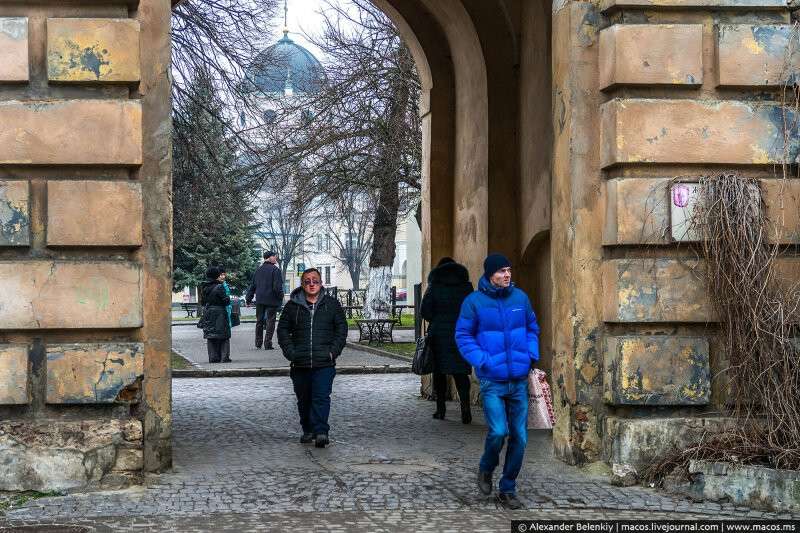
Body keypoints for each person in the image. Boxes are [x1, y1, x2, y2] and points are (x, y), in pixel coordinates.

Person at [455, 253, 540, 510]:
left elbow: (532, 328)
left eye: (509, 270)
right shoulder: (474, 302)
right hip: (492, 380)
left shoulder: (520, 298)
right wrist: (482, 359)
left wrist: (531, 354)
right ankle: (485, 469)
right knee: (498, 432)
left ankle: (508, 488)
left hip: (518, 380)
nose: (507, 275)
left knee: (520, 437)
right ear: (490, 274)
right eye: (502, 271)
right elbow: (462, 335)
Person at [277, 268, 347, 448]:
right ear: (302, 284)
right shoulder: (292, 306)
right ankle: (308, 429)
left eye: (315, 280)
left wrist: (333, 351)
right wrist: (291, 352)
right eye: (307, 281)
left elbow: (341, 329)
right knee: (304, 398)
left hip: (324, 362)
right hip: (300, 362)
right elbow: (283, 330)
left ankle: (321, 431)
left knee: (321, 396)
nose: (311, 284)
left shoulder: (331, 304)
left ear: (321, 282)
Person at [420, 257, 474, 423]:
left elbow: (425, 311)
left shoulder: (434, 286)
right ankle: (465, 410)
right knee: (461, 373)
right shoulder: (466, 287)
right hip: (462, 334)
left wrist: (436, 319)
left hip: (439, 335)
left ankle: (441, 410)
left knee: (439, 372)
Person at [246, 251, 284, 350]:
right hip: (271, 299)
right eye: (274, 257)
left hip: (260, 299)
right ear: (269, 257)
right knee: (270, 321)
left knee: (259, 321)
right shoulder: (276, 270)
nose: (276, 259)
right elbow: (277, 287)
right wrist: (280, 297)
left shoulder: (258, 270)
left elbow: (253, 286)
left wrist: (248, 299)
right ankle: (268, 343)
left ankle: (258, 343)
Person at [200, 266, 232, 364]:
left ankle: (213, 357)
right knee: (224, 335)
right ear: (217, 275)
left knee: (211, 334)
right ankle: (224, 357)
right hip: (220, 312)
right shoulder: (220, 287)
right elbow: (226, 301)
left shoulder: (204, 286)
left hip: (208, 312)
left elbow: (202, 302)